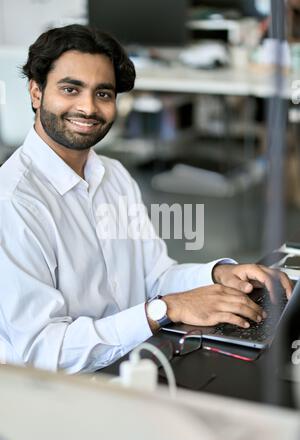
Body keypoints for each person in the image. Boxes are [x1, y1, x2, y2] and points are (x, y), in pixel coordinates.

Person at [0, 24, 292, 374]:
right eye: (70, 89)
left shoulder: (113, 176)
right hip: (67, 390)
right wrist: (162, 310)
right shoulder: (13, 202)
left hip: (137, 360)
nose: (88, 107)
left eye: (103, 94)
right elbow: (42, 351)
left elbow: (154, 277)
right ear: (36, 92)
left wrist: (217, 274)